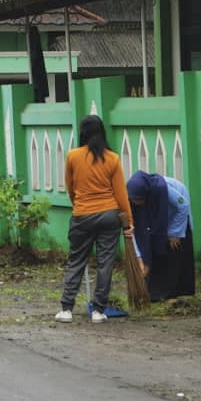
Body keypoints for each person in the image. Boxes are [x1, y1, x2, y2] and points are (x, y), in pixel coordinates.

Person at [55, 114, 133, 325]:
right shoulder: (113, 158)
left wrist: (79, 205)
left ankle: (67, 309)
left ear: (83, 133)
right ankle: (99, 310)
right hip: (109, 215)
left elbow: (70, 188)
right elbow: (120, 194)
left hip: (82, 214)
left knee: (76, 260)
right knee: (105, 263)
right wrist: (129, 222)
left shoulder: (73, 156)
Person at [126, 170, 195, 302]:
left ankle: (174, 292)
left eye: (139, 199)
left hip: (175, 212)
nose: (137, 202)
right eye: (134, 200)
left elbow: (183, 205)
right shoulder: (132, 202)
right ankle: (155, 292)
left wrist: (174, 232)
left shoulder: (164, 190)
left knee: (173, 247)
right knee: (153, 243)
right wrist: (139, 257)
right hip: (157, 218)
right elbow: (133, 231)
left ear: (146, 193)